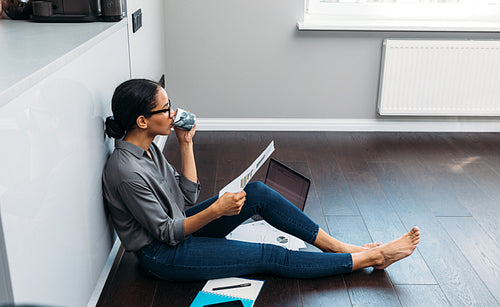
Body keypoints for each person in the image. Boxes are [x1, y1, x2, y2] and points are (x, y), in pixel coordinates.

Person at [102, 78, 420, 282]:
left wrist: (186, 144)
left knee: (256, 192)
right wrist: (217, 211)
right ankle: (371, 257)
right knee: (267, 255)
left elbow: (186, 198)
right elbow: (167, 234)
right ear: (143, 120)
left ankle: (338, 247)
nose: (174, 113)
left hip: (178, 230)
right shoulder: (127, 173)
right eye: (166, 109)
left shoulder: (148, 151)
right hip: (163, 255)